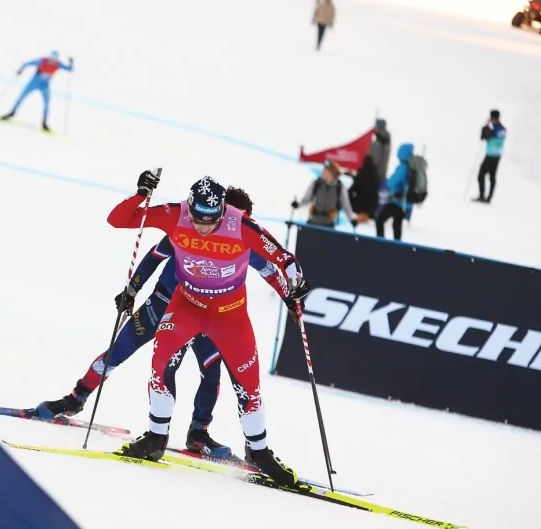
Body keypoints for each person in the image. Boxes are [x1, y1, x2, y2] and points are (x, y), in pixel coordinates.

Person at [34, 187, 293, 459]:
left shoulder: (243, 238)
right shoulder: (190, 228)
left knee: (211, 372)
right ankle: (77, 398)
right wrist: (132, 290)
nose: (240, 225)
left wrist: (291, 299)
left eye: (245, 220)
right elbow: (154, 256)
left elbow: (270, 271)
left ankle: (198, 433)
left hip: (206, 315)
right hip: (163, 305)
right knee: (122, 352)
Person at [106, 172, 311, 490]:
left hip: (229, 315)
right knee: (160, 364)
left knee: (249, 384)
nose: (202, 227)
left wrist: (295, 286)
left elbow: (282, 258)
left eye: (210, 221)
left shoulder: (240, 225)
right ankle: (156, 437)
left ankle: (258, 451)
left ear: (222, 211)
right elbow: (119, 220)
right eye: (197, 219)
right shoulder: (175, 214)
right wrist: (141, 193)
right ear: (190, 207)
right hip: (186, 306)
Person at [0, 51, 74, 132]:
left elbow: (69, 69)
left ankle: (44, 123)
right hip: (33, 83)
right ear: (49, 57)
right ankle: (11, 113)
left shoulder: (58, 64)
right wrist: (20, 70)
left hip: (44, 86)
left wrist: (71, 63)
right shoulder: (41, 61)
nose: (52, 61)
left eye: (54, 60)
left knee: (47, 103)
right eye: (51, 59)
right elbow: (26, 63)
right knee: (21, 97)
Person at [291, 160, 357, 228]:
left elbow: (345, 204)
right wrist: (298, 205)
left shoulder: (339, 187)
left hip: (329, 223)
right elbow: (307, 198)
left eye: (325, 171)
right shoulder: (316, 184)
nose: (322, 173)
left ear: (331, 174)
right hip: (313, 221)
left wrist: (351, 219)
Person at [375, 143, 415, 240]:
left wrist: (385, 183)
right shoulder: (412, 167)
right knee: (397, 224)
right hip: (406, 203)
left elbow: (392, 183)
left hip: (398, 201)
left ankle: (380, 243)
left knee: (379, 220)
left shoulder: (403, 168)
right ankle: (397, 244)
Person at [475, 109, 506, 204]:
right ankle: (489, 197)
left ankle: (482, 196)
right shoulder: (503, 129)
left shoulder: (494, 130)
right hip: (497, 155)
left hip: (490, 155)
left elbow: (483, 136)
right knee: (492, 177)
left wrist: (486, 126)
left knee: (481, 175)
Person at [348, 154, 380, 228]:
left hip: (359, 204)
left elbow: (353, 188)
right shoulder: (376, 176)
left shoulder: (361, 174)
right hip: (371, 206)